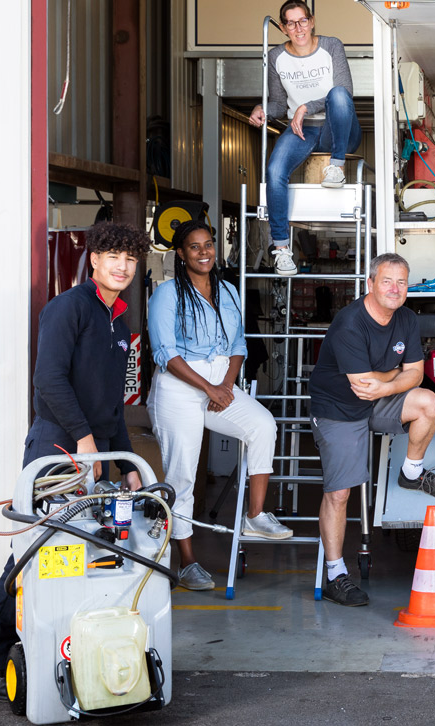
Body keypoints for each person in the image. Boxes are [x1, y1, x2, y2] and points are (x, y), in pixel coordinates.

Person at [0, 221, 151, 701]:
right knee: (30, 558)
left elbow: (111, 402)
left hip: (93, 452)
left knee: (81, 556)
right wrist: (85, 440)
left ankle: (66, 652)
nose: (122, 265)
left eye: (130, 259)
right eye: (113, 255)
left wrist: (129, 463)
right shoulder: (67, 309)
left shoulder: (119, 320)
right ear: (93, 258)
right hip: (55, 451)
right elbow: (49, 381)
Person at [147, 221, 293, 592]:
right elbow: (166, 353)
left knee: (262, 425)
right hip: (180, 387)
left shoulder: (227, 290)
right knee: (182, 475)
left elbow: (238, 343)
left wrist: (225, 386)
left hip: (219, 383)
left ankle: (256, 516)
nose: (204, 252)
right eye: (194, 247)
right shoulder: (166, 294)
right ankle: (188, 562)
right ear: (181, 254)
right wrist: (208, 388)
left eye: (208, 245)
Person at [309, 253, 435, 607]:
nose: (395, 289)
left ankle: (412, 472)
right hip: (339, 409)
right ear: (371, 284)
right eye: (387, 281)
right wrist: (395, 376)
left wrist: (389, 381)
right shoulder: (350, 323)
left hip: (376, 400)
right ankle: (334, 574)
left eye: (402, 282)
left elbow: (417, 375)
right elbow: (363, 385)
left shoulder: (405, 318)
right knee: (340, 494)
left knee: (427, 403)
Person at [248, 0, 361, 277]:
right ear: (284, 28)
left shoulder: (331, 46)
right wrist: (262, 109)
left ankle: (336, 167)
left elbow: (344, 91)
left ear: (311, 21)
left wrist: (306, 106)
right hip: (303, 129)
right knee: (274, 171)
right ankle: (282, 249)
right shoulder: (277, 57)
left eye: (302, 21)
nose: (298, 28)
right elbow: (277, 103)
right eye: (290, 22)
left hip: (339, 127)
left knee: (337, 95)